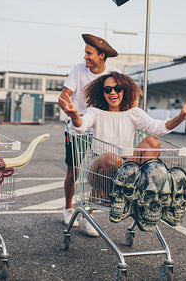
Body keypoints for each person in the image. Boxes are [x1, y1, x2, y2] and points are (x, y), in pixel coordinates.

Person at [58, 71, 186, 204]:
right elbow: (81, 126)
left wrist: (181, 117)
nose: (112, 92)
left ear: (125, 90)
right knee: (111, 158)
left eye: (117, 88)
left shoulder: (133, 113)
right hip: (100, 168)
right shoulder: (94, 112)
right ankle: (119, 191)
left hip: (128, 169)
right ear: (102, 93)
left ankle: (144, 188)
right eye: (108, 90)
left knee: (152, 141)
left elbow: (159, 128)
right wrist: (75, 116)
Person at [58, 34, 119, 237]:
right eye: (85, 52)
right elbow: (64, 95)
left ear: (102, 55)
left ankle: (88, 215)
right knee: (73, 172)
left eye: (89, 53)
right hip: (77, 128)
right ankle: (68, 207)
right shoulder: (78, 70)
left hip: (100, 131)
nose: (85, 57)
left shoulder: (113, 75)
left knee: (99, 173)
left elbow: (123, 98)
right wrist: (67, 106)